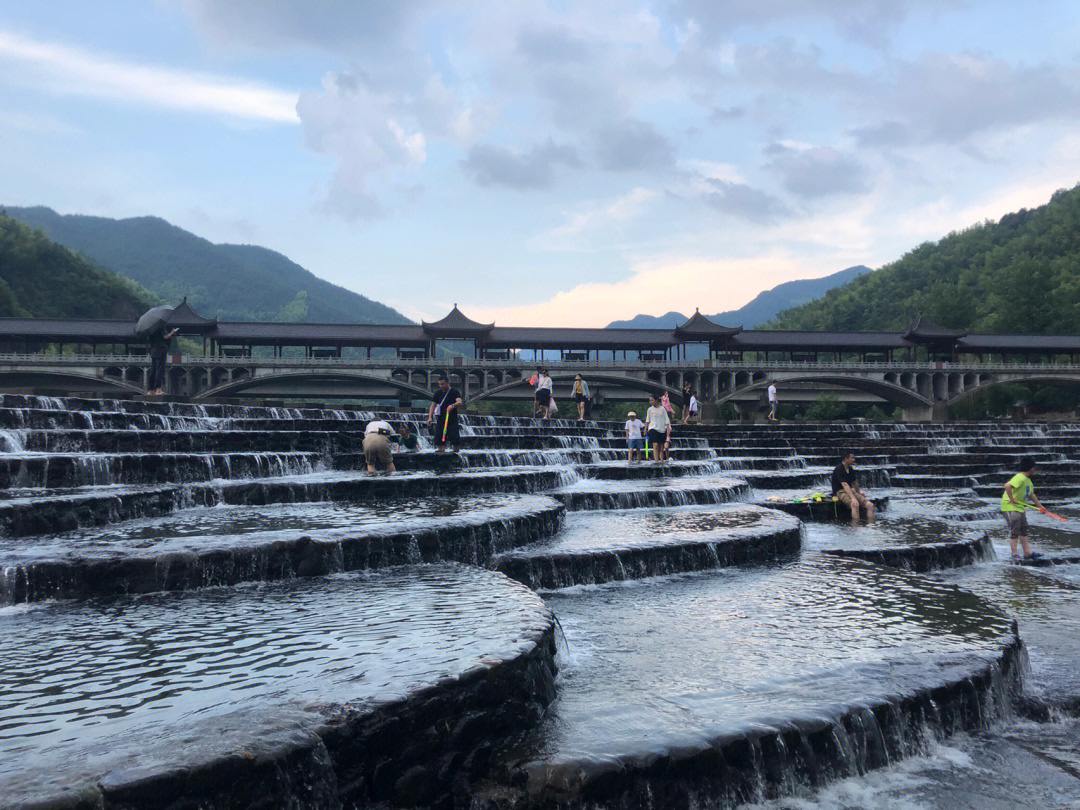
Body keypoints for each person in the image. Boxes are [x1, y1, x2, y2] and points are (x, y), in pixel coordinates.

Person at [1001, 456, 1046, 562]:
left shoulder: (1028, 481)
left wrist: (1040, 506)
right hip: (1010, 507)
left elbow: (1031, 494)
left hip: (1019, 508)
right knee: (1015, 530)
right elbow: (1007, 486)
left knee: (1024, 529)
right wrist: (1012, 499)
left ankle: (1027, 552)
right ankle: (1014, 554)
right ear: (1032, 469)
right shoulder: (1020, 477)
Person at [832, 451, 875, 522]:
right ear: (846, 459)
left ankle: (871, 525)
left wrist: (859, 493)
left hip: (850, 490)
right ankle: (855, 527)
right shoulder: (839, 469)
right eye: (852, 458)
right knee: (855, 505)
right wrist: (853, 499)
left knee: (870, 505)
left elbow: (855, 483)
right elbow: (844, 485)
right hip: (840, 492)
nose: (854, 459)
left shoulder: (850, 469)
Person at [427, 376, 463, 453]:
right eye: (439, 384)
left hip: (452, 420)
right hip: (440, 420)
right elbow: (433, 405)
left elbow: (459, 402)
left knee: (455, 440)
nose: (441, 386)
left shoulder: (454, 392)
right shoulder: (437, 393)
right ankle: (441, 456)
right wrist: (430, 417)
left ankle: (456, 456)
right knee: (439, 440)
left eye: (443, 384)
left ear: (447, 383)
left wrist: (453, 405)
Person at [147, 326, 178, 396]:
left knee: (153, 369)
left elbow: (149, 340)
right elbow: (165, 337)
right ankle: (158, 389)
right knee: (160, 369)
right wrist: (172, 333)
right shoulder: (160, 326)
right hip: (161, 349)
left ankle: (150, 390)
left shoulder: (150, 329)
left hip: (153, 350)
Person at [645, 393, 671, 463]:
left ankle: (660, 460)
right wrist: (645, 430)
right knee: (655, 445)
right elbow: (647, 420)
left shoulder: (662, 409)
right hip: (653, 428)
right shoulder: (649, 409)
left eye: (652, 400)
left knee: (660, 447)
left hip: (662, 430)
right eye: (650, 400)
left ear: (656, 400)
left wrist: (668, 430)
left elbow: (666, 420)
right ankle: (656, 461)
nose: (650, 402)